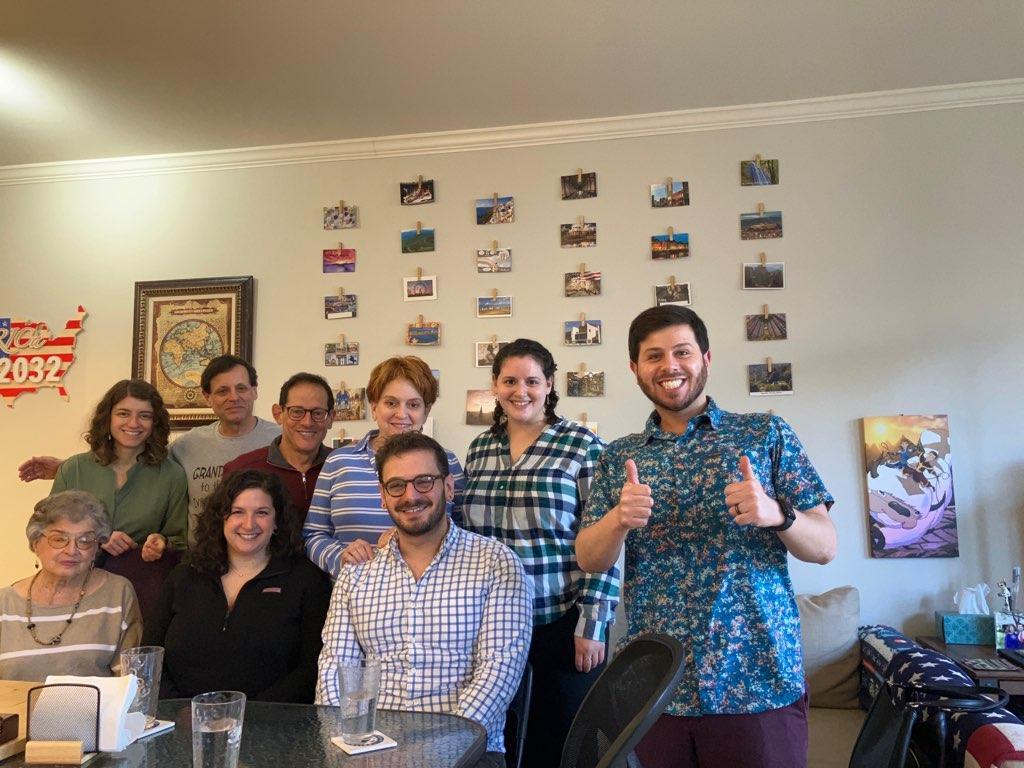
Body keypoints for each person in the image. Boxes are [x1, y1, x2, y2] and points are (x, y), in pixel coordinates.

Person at [576, 306, 837, 768]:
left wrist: (775, 513)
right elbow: (590, 558)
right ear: (635, 369)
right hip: (657, 691)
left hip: (757, 680)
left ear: (706, 358)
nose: (669, 366)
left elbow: (825, 547)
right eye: (653, 356)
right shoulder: (620, 457)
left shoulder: (764, 433)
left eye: (682, 352)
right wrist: (618, 519)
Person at [316, 432, 531, 767]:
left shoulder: (496, 563)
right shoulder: (356, 575)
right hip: (370, 752)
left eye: (424, 481)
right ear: (382, 496)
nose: (410, 495)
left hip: (469, 751)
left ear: (448, 487)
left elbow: (498, 671)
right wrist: (348, 742)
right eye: (396, 485)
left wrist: (441, 749)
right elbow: (334, 669)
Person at [462, 338, 618, 766]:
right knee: (502, 741)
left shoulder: (583, 446)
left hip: (560, 622)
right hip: (490, 626)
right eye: (509, 380)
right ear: (495, 385)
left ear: (550, 384)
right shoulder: (479, 451)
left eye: (532, 380)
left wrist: (593, 623)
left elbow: (606, 535)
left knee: (561, 743)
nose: (521, 391)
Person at [17, 355, 281, 545]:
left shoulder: (280, 439)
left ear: (255, 391)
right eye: (222, 390)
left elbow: (172, 531)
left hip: (266, 552)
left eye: (242, 388)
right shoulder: (187, 446)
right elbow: (125, 465)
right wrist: (67, 468)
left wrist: (160, 542)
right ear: (207, 397)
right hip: (204, 558)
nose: (233, 397)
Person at [144, 470, 331, 702]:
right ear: (221, 518)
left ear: (277, 521)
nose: (249, 524)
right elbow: (149, 657)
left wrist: (245, 716)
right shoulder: (185, 575)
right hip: (178, 722)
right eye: (237, 512)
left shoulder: (306, 580)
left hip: (271, 726)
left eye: (262, 513)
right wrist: (182, 710)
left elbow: (312, 668)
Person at [303, 356, 464, 577]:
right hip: (355, 597)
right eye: (391, 403)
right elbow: (313, 534)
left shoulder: (447, 462)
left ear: (426, 411)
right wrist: (341, 558)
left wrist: (407, 538)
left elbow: (464, 532)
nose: (402, 414)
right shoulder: (339, 462)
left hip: (434, 594)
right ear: (374, 406)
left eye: (414, 405)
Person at [0, 490, 142, 680]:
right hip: (13, 709)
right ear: (35, 544)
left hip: (95, 710)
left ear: (96, 548)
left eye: (85, 541)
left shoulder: (117, 594)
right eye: (59, 539)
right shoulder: (4, 604)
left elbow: (129, 683)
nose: (71, 550)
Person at [49, 379, 187, 561]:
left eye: (144, 416)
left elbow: (179, 540)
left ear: (155, 422)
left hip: (139, 579)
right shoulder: (73, 469)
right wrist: (97, 539)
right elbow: (49, 530)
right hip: (74, 576)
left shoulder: (172, 475)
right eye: (123, 414)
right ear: (108, 418)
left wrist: (161, 541)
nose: (133, 423)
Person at [223, 373, 333, 520]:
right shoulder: (241, 470)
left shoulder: (346, 469)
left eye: (318, 413)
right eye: (296, 412)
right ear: (278, 414)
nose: (307, 422)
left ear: (331, 418)